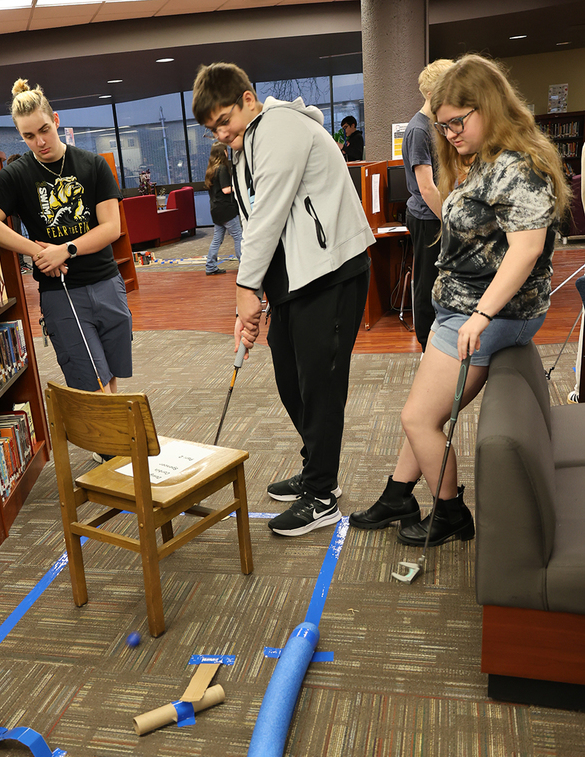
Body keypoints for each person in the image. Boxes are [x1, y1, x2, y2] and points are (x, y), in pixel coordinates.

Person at [349, 53, 569, 547]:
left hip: (485, 312)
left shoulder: (515, 165)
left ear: (487, 106)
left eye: (456, 123)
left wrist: (482, 314)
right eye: (442, 125)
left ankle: (450, 514)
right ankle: (399, 493)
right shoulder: (485, 158)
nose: (449, 134)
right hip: (465, 306)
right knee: (425, 411)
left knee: (416, 417)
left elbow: (528, 247)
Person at [192, 62, 374, 537]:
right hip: (292, 278)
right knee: (290, 378)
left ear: (248, 99)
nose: (221, 133)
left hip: (331, 272)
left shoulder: (280, 128)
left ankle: (322, 494)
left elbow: (270, 214)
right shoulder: (244, 144)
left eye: (224, 120)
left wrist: (244, 288)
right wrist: (249, 302)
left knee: (320, 383)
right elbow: (255, 227)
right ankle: (315, 464)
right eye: (213, 128)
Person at [0, 79, 132, 394]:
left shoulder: (93, 165)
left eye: (44, 130)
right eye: (28, 136)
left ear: (55, 120)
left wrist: (66, 249)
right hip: (62, 292)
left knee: (110, 374)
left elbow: (111, 227)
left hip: (106, 282)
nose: (39, 142)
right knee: (91, 381)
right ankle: (110, 443)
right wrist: (38, 251)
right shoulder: (16, 175)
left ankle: (114, 439)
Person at [401, 58, 455, 351]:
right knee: (426, 281)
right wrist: (451, 219)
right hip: (427, 218)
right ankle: (426, 345)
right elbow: (426, 187)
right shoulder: (418, 130)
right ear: (432, 94)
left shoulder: (438, 126)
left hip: (439, 213)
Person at [204, 140, 242, 276]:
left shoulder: (210, 170)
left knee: (217, 239)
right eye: (226, 150)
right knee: (238, 236)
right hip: (226, 209)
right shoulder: (222, 168)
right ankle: (244, 266)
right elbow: (226, 190)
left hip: (215, 209)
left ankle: (210, 266)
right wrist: (238, 187)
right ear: (223, 152)